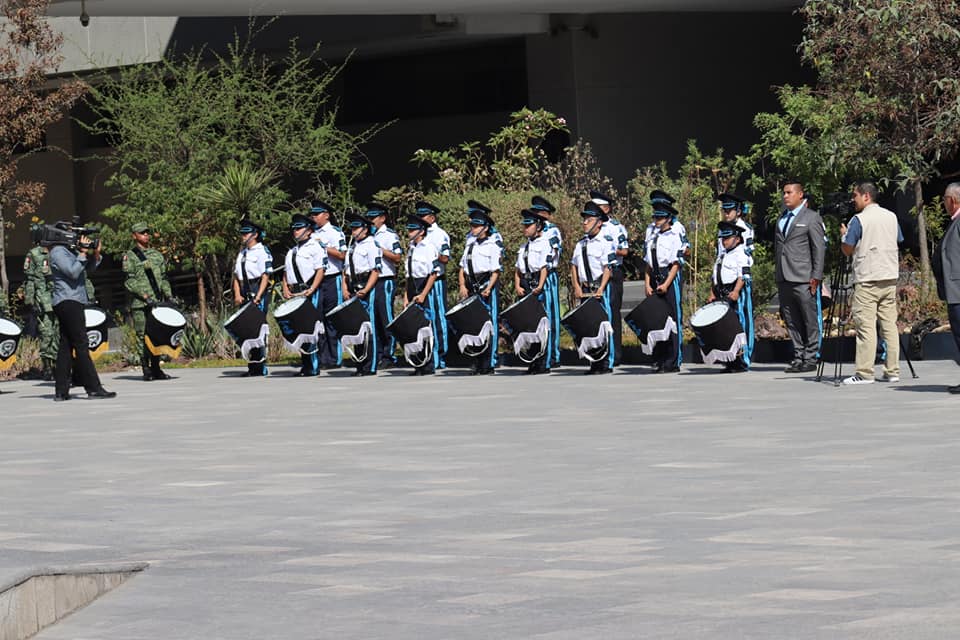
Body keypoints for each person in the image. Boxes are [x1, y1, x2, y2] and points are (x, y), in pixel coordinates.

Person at [839, 181, 903, 385]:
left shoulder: (859, 219)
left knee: (866, 326)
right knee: (889, 326)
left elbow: (848, 249)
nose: (853, 199)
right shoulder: (891, 216)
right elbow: (898, 239)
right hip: (889, 276)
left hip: (867, 278)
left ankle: (865, 372)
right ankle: (892, 371)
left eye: (855, 195)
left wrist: (843, 236)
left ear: (866, 196)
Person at [48, 228, 115, 400]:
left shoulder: (70, 251)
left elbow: (86, 270)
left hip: (74, 300)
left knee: (66, 346)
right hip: (67, 301)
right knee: (81, 343)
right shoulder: (58, 252)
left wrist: (95, 254)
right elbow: (72, 271)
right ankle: (93, 388)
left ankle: (61, 392)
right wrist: (83, 252)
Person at [775, 179, 826, 373]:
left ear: (800, 195)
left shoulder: (812, 218)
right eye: (784, 193)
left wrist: (816, 276)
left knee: (809, 319)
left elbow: (818, 249)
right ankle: (798, 355)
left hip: (804, 277)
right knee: (791, 319)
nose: (785, 196)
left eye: (789, 192)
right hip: (784, 277)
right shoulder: (781, 218)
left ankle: (811, 357)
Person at [123, 222, 174, 381]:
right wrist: (145, 296)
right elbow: (129, 281)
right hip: (140, 304)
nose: (145, 235)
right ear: (134, 236)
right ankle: (146, 368)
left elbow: (164, 278)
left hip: (157, 303)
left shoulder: (157, 255)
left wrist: (169, 295)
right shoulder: (130, 256)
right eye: (141, 233)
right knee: (141, 335)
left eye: (147, 232)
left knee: (156, 335)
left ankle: (156, 367)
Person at [570, 202, 616, 375]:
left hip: (599, 289)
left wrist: (601, 288)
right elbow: (573, 266)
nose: (584, 223)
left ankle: (606, 362)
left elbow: (608, 268)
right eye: (584, 220)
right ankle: (593, 362)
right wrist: (576, 287)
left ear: (599, 222)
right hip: (585, 289)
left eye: (588, 220)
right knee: (589, 326)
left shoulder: (605, 242)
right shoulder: (580, 244)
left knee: (604, 325)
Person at [457, 201, 501, 375]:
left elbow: (495, 271)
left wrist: (489, 288)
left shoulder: (493, 245)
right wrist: (462, 285)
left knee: (488, 325)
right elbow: (462, 268)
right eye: (472, 225)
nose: (473, 229)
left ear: (485, 227)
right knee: (473, 325)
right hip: (471, 286)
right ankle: (476, 360)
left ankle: (488, 362)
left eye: (476, 226)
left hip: (485, 287)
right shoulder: (470, 245)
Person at [281, 213, 327, 376]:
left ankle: (314, 366)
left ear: (308, 230)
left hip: (309, 291)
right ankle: (306, 364)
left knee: (310, 329)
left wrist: (313, 288)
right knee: (299, 329)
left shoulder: (315, 247)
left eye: (299, 228)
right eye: (294, 229)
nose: (295, 231)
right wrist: (285, 288)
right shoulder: (292, 251)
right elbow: (286, 272)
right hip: (295, 293)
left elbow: (320, 269)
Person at [643, 202, 684, 373]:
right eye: (655, 217)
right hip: (654, 277)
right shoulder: (653, 237)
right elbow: (648, 264)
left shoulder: (674, 236)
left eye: (660, 217)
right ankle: (658, 358)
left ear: (668, 218)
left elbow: (676, 264)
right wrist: (647, 283)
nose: (656, 221)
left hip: (668, 278)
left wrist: (666, 284)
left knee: (672, 319)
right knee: (657, 320)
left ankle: (672, 360)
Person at [707, 221, 752, 372]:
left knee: (738, 327)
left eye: (727, 238)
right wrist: (712, 292)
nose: (724, 241)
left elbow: (743, 275)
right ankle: (730, 360)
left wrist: (737, 291)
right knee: (725, 329)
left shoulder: (741, 253)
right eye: (722, 238)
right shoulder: (722, 255)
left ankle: (741, 361)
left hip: (733, 293)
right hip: (721, 293)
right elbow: (715, 275)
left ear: (737, 239)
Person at [514, 208, 555, 374]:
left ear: (538, 226)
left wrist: (540, 285)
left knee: (541, 325)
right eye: (524, 225)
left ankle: (542, 362)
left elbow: (544, 267)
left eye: (528, 225)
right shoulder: (523, 247)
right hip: (525, 283)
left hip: (538, 284)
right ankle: (531, 361)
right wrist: (517, 285)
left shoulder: (545, 243)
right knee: (528, 325)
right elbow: (518, 269)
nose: (525, 228)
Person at [590, 190, 629, 366]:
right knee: (596, 316)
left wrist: (605, 250)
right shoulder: (591, 226)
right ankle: (599, 353)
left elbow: (624, 250)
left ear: (606, 208)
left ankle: (616, 355)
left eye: (598, 207)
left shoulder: (615, 227)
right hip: (595, 275)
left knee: (612, 313)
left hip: (613, 272)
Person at [342, 210, 382, 377]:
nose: (353, 231)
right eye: (352, 228)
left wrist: (367, 289)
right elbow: (345, 271)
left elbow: (375, 270)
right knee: (356, 328)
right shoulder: (352, 247)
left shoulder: (372, 245)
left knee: (369, 327)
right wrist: (344, 288)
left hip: (366, 286)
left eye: (356, 228)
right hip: (352, 287)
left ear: (365, 229)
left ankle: (369, 366)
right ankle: (359, 363)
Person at [307, 200, 347, 370]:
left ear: (326, 215)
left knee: (332, 319)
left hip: (332, 278)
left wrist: (323, 247)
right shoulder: (311, 233)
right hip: (316, 279)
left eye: (317, 214)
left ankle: (335, 358)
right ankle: (322, 357)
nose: (314, 217)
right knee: (318, 320)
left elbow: (343, 255)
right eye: (312, 215)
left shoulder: (334, 233)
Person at [716, 193, 755, 364]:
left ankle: (744, 357)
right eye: (724, 209)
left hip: (739, 280)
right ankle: (731, 357)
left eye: (730, 209)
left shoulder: (744, 229)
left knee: (742, 320)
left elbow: (747, 257)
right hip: (723, 282)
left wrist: (738, 287)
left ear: (738, 211)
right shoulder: (723, 230)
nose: (726, 213)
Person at [232, 219, 272, 377]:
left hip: (257, 290)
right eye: (242, 233)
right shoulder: (242, 253)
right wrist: (237, 293)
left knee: (258, 330)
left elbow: (265, 276)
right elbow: (236, 276)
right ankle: (251, 366)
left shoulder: (262, 251)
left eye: (246, 233)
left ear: (255, 235)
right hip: (244, 290)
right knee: (247, 330)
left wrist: (259, 296)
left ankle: (260, 366)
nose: (243, 236)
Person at [365, 204, 402, 370]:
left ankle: (390, 354)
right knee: (374, 319)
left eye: (374, 218)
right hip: (370, 279)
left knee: (386, 318)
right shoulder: (367, 236)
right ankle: (378, 353)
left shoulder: (389, 235)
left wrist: (379, 249)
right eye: (369, 219)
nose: (371, 222)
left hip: (385, 279)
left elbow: (397, 257)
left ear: (382, 218)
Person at [403, 214, 442, 376]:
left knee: (427, 327)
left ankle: (428, 364)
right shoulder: (412, 248)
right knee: (414, 328)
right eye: (409, 229)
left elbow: (433, 273)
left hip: (424, 286)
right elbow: (408, 275)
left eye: (413, 230)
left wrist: (424, 294)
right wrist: (406, 296)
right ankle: (418, 362)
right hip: (413, 285)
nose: (409, 232)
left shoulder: (428, 247)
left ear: (421, 231)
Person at [933, 182, 960, 394]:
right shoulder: (955, 221)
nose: (943, 203)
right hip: (953, 291)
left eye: (944, 199)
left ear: (952, 200)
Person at [417, 200, 451, 369]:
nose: (421, 219)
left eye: (423, 216)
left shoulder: (440, 235)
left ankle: (441, 355)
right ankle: (429, 354)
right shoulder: (418, 235)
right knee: (425, 320)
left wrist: (432, 253)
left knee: (438, 318)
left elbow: (445, 258)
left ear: (432, 217)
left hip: (436, 279)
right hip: (421, 280)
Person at [530, 195, 562, 366]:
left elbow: (554, 253)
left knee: (551, 315)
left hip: (548, 275)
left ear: (545, 214)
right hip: (533, 276)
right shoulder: (533, 231)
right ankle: (539, 352)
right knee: (537, 317)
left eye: (537, 212)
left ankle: (553, 355)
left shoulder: (552, 231)